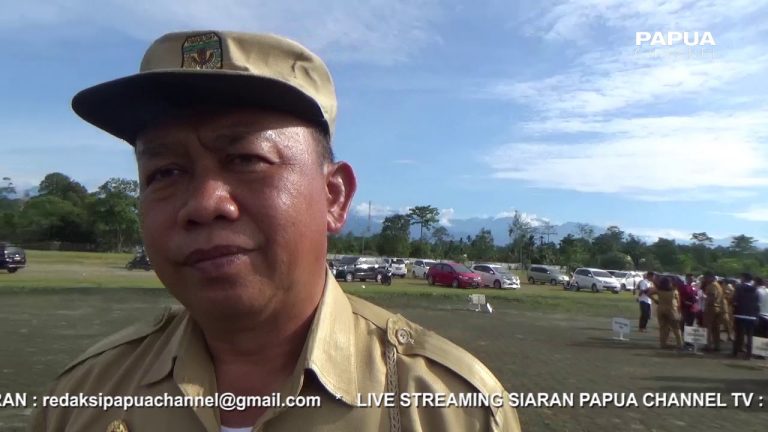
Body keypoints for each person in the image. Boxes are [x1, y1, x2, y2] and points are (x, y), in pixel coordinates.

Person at [30, 31, 520, 432]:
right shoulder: (82, 400)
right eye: (165, 173)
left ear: (334, 197)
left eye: (246, 159)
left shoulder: (449, 411)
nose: (203, 205)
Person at [731, 273, 760, 359]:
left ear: (744, 278)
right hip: (752, 316)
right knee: (749, 335)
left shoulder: (739, 287)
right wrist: (756, 316)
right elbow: (757, 304)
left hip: (740, 314)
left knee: (739, 334)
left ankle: (735, 352)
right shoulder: (755, 289)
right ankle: (748, 354)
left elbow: (734, 300)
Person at [655, 277, 683, 349]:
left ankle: (663, 344)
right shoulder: (674, 291)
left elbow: (648, 293)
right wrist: (679, 311)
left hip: (661, 310)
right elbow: (678, 302)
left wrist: (655, 300)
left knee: (663, 328)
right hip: (671, 310)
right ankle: (679, 343)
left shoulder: (659, 291)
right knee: (676, 327)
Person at [702, 271, 725, 352]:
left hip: (711, 308)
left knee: (708, 327)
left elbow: (711, 297)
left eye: (706, 277)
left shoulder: (711, 285)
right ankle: (717, 345)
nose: (705, 279)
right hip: (718, 308)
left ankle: (708, 345)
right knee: (716, 328)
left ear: (710, 277)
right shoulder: (718, 285)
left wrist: (705, 301)